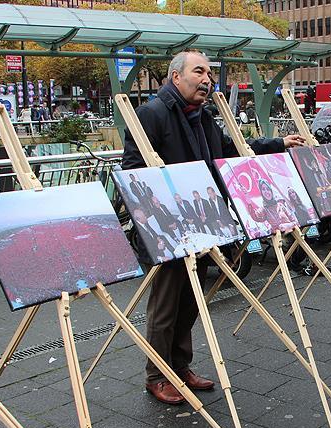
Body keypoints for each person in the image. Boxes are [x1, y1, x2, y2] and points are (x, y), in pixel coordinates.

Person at [122, 50, 305, 405]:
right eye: (199, 71)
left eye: (210, 73)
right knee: (166, 303)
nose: (207, 79)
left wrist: (277, 144)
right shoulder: (153, 114)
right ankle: (157, 375)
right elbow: (132, 169)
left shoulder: (202, 117)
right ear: (176, 77)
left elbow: (229, 151)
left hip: (206, 225)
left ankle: (179, 365)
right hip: (171, 230)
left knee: (191, 300)